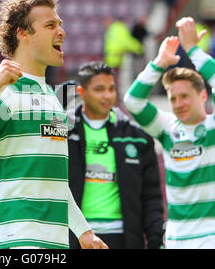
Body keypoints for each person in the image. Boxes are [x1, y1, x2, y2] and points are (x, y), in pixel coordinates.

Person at [0, 0, 107, 249]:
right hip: (13, 237)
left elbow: (53, 183)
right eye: (50, 25)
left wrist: (83, 231)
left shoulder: (52, 99)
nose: (61, 32)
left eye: (60, 25)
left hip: (53, 241)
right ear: (22, 33)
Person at [124, 17, 215, 249]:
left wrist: (192, 49)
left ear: (203, 96)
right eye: (173, 98)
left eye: (185, 96)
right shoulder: (168, 128)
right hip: (177, 238)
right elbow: (133, 101)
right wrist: (159, 63)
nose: (178, 103)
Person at [67, 62, 165, 249]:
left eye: (111, 89)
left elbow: (151, 196)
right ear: (81, 92)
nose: (107, 95)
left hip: (123, 239)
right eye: (99, 89)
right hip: (76, 236)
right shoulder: (63, 134)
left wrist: (155, 239)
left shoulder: (137, 137)